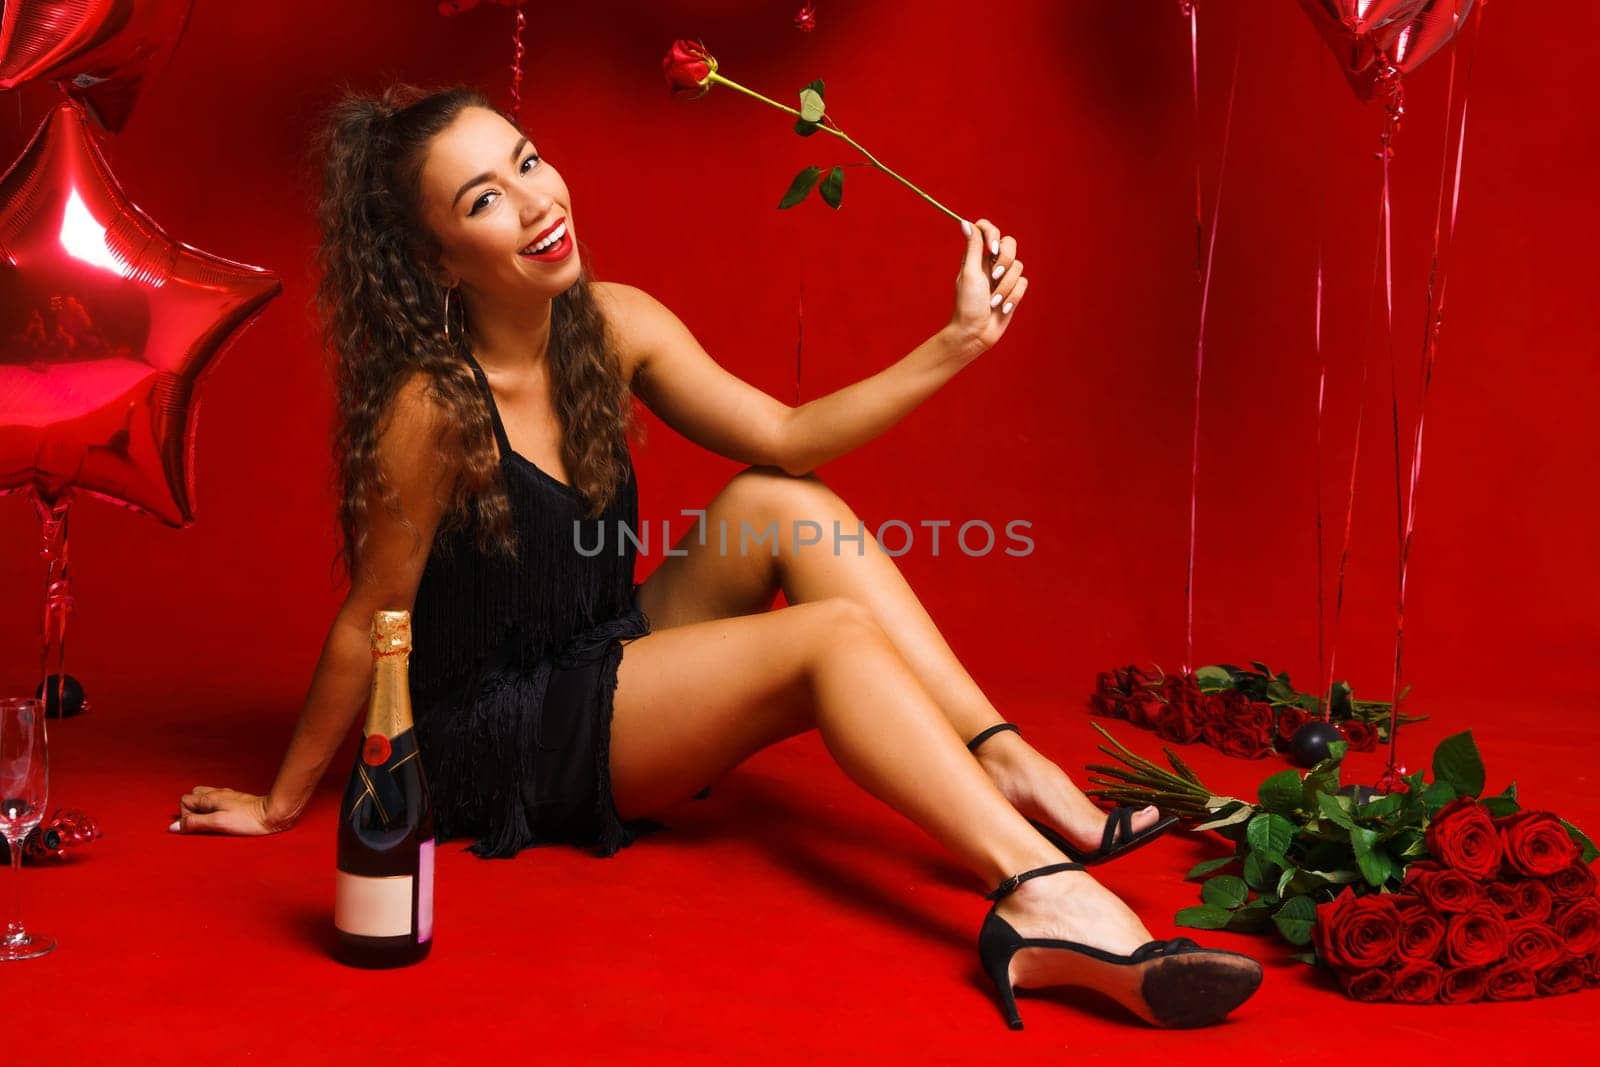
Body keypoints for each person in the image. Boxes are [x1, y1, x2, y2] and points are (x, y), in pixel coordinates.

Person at [170, 83, 1261, 1030]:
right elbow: (374, 615)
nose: (539, 201)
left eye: (527, 160)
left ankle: (1014, 762)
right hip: (493, 736)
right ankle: (1037, 888)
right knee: (827, 639)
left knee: (777, 499)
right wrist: (282, 800)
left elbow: (787, 434)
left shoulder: (615, 321)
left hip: (599, 658)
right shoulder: (430, 406)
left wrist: (957, 339)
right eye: (485, 199)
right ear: (433, 258)